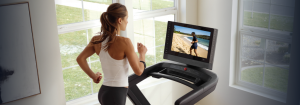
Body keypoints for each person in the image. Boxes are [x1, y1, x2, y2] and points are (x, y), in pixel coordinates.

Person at [76, 3, 148, 105]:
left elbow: (80, 59)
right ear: (119, 20)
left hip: (104, 92)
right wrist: (142, 54)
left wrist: (93, 76)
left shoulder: (97, 39)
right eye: (126, 18)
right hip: (116, 94)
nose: (127, 22)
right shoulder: (125, 42)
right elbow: (139, 71)